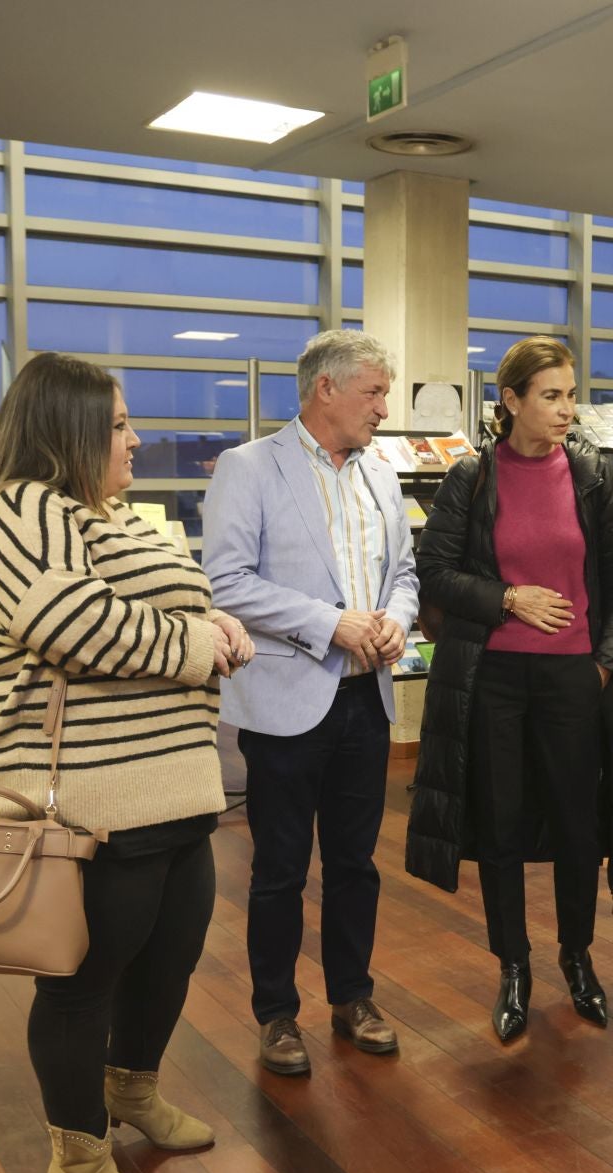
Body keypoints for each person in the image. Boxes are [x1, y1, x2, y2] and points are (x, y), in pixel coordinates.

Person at [0, 351, 253, 1173]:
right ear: (69, 430)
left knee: (169, 953)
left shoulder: (104, 515)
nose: (134, 438)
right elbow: (70, 623)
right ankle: (79, 1160)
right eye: (117, 425)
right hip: (93, 801)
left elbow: (150, 608)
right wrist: (199, 642)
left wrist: (218, 622)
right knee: (83, 979)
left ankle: (133, 1091)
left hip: (171, 787)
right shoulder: (23, 508)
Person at [405, 337, 613, 1043]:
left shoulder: (594, 478)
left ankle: (577, 955)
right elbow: (435, 574)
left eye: (571, 394)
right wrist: (509, 598)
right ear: (511, 401)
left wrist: (605, 663)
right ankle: (514, 965)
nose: (567, 409)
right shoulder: (472, 477)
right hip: (494, 680)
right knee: (500, 827)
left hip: (574, 679)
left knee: (577, 825)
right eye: (551, 395)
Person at [203, 329, 419, 1075]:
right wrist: (331, 622)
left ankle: (353, 995)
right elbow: (225, 583)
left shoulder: (382, 476)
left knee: (357, 863)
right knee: (281, 868)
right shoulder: (249, 467)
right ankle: (276, 1013)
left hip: (368, 699)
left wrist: (396, 617)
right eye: (375, 392)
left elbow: (406, 573)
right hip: (287, 704)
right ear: (325, 389)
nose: (384, 409)